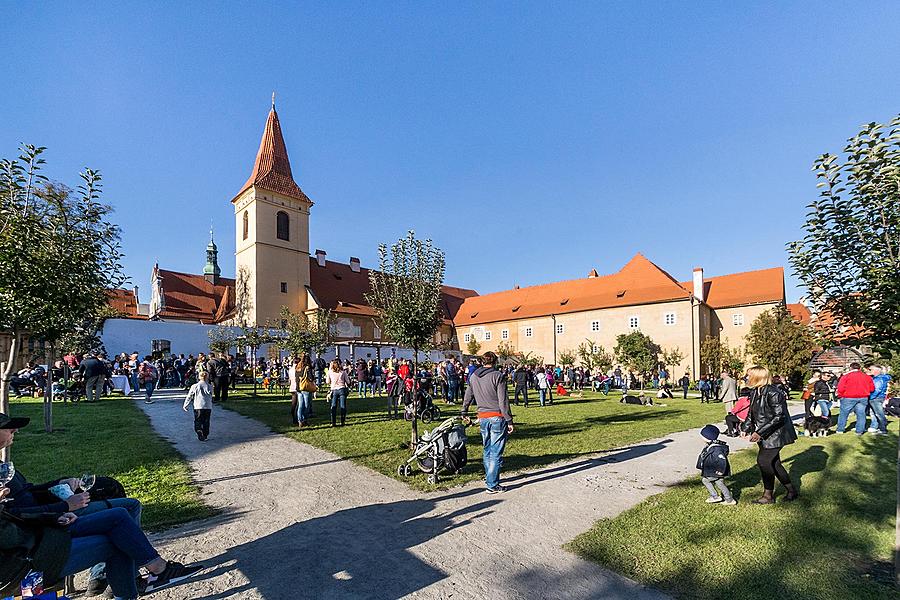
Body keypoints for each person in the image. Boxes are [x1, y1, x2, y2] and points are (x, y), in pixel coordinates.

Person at [740, 366, 798, 504]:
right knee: (775, 463)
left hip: (776, 434)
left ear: (757, 377)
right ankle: (791, 491)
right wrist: (745, 427)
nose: (746, 378)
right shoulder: (755, 391)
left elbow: (779, 417)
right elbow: (751, 413)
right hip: (764, 432)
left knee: (763, 461)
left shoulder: (774, 392)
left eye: (748, 375)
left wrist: (759, 432)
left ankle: (768, 496)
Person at [461, 352, 513, 494]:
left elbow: (468, 395)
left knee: (487, 449)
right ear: (495, 361)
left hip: (483, 416)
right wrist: (509, 419)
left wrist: (464, 411)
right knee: (496, 452)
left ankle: (489, 478)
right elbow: (503, 400)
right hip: (497, 415)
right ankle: (492, 484)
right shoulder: (498, 375)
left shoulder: (474, 376)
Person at [696, 424, 735, 505]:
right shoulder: (710, 446)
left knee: (705, 480)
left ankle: (715, 496)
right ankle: (729, 500)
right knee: (720, 483)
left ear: (707, 437)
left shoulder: (716, 449)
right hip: (714, 471)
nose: (701, 437)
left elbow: (722, 460)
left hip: (716, 471)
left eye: (702, 436)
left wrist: (720, 471)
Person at [835, 362, 875, 435]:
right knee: (861, 414)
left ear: (851, 368)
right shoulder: (867, 377)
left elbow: (840, 387)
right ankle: (859, 431)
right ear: (860, 368)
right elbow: (872, 388)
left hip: (848, 397)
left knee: (844, 414)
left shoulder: (846, 376)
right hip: (863, 397)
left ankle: (840, 429)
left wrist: (840, 395)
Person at [183, 371, 213, 441]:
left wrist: (186, 404)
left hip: (198, 406)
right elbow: (211, 395)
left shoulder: (195, 386)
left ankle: (199, 430)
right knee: (206, 421)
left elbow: (189, 396)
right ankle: (205, 434)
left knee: (198, 420)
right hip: (208, 406)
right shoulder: (210, 386)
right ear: (207, 377)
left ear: (199, 377)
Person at [867, 365, 891, 435]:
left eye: (870, 369)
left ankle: (883, 429)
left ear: (876, 371)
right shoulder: (877, 378)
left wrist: (871, 397)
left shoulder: (879, 379)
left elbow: (877, 390)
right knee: (873, 413)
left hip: (876, 398)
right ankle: (874, 427)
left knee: (879, 414)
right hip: (876, 397)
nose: (869, 371)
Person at [327, 358, 350, 427]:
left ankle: (333, 422)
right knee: (343, 406)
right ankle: (342, 421)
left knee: (333, 406)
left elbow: (327, 382)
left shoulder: (330, 372)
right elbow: (348, 381)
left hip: (334, 390)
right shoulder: (343, 372)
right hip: (342, 389)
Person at [296, 353, 315, 427]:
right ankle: (304, 419)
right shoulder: (307, 368)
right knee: (307, 405)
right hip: (305, 387)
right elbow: (310, 378)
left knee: (300, 405)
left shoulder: (298, 367)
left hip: (299, 388)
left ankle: (300, 420)